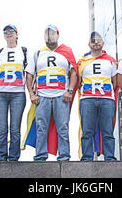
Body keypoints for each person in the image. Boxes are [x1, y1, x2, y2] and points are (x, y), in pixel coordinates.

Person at [24, 24, 78, 161]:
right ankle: (40, 156)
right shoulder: (37, 53)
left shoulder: (67, 52)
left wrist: (70, 91)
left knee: (63, 127)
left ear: (58, 36)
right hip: (42, 96)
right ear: (44, 36)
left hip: (61, 95)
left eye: (53, 33)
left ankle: (64, 156)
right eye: (47, 34)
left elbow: (74, 72)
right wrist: (31, 94)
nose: (50, 36)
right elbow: (29, 74)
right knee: (41, 127)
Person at [77, 32, 118, 161]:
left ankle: (110, 157)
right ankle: (87, 157)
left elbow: (115, 82)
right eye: (93, 40)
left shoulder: (111, 61)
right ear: (89, 44)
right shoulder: (82, 61)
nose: (96, 42)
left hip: (106, 99)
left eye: (98, 40)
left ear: (103, 43)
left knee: (107, 131)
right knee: (87, 131)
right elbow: (77, 80)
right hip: (87, 99)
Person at [0, 24, 28, 161]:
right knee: (2, 128)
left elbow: (29, 72)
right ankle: (2, 157)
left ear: (17, 34)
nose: (9, 34)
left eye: (11, 31)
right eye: (6, 32)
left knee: (15, 128)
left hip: (18, 93)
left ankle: (13, 158)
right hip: (0, 93)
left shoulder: (24, 51)